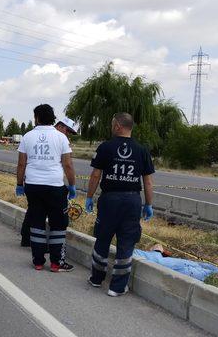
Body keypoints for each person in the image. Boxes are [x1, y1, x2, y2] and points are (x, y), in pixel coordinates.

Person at [85, 112, 155, 296]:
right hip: (132, 201)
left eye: (111, 124)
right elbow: (147, 181)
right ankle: (117, 287)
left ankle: (96, 278)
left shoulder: (105, 147)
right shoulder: (142, 150)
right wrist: (148, 204)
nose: (111, 127)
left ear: (117, 126)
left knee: (103, 238)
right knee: (126, 241)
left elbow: (95, 175)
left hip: (110, 199)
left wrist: (89, 196)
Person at [16, 104, 77, 272]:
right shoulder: (61, 138)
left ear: (37, 118)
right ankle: (56, 263)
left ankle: (38, 261)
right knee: (58, 225)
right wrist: (72, 185)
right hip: (55, 186)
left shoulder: (27, 136)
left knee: (37, 223)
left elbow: (21, 164)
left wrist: (19, 184)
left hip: (33, 186)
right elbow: (68, 165)